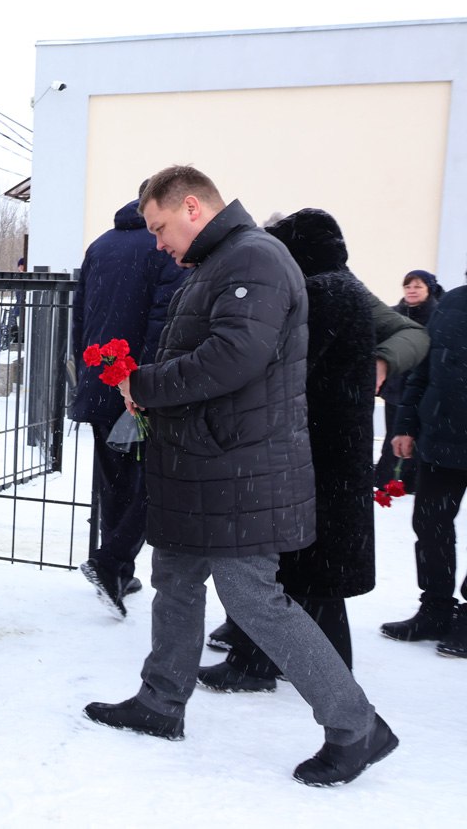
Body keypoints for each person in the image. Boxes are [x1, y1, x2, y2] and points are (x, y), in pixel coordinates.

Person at [82, 166, 397, 787]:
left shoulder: (254, 259)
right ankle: (160, 701)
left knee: (253, 596)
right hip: (205, 463)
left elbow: (234, 357)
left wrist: (145, 384)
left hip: (239, 468)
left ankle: (355, 724)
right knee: (174, 575)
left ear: (193, 207)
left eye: (160, 227)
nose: (157, 242)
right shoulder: (221, 262)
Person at [198, 209, 375, 690]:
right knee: (313, 572)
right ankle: (318, 666)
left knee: (293, 566)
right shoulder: (346, 288)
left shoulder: (320, 294)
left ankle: (260, 665)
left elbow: (282, 368)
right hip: (335, 446)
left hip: (316, 447)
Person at [70, 181, 189, 617]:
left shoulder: (101, 245)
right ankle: (111, 562)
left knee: (114, 479)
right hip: (140, 384)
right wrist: (147, 383)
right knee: (150, 481)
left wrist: (91, 371)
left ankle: (119, 568)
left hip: (102, 376)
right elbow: (165, 322)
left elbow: (80, 313)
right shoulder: (164, 248)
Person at [382, 283, 467, 655]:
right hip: (441, 436)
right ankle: (435, 607)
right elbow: (424, 369)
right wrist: (406, 425)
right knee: (430, 524)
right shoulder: (453, 301)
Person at [375, 269, 444, 492]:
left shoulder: (438, 315)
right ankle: (388, 479)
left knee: (418, 435)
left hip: (423, 387)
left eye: (418, 287)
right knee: (393, 434)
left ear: (429, 290)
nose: (412, 291)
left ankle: (413, 480)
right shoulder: (394, 314)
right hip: (396, 387)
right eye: (408, 287)